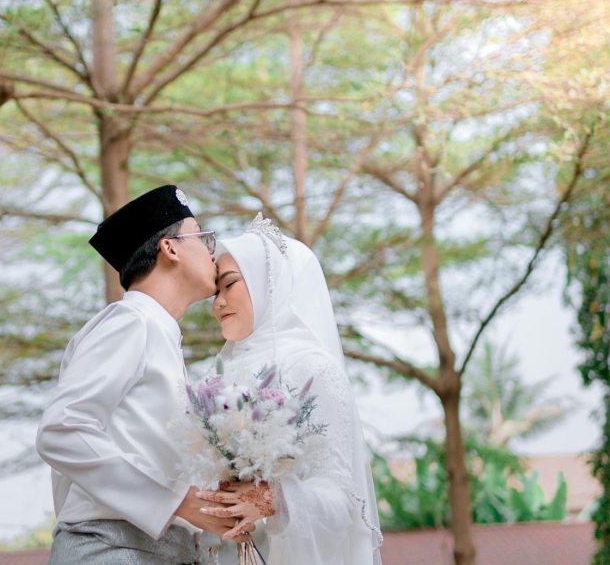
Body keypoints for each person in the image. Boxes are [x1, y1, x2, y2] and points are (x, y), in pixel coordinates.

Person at [36, 184, 241, 564]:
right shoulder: (129, 322)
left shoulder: (157, 332)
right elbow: (62, 430)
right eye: (204, 239)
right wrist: (174, 500)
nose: (213, 254)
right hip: (111, 548)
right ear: (171, 248)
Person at [195, 214, 384, 565]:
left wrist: (274, 501)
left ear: (270, 284)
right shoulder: (212, 378)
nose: (217, 303)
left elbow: (343, 499)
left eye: (230, 284)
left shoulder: (314, 369)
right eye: (215, 291)